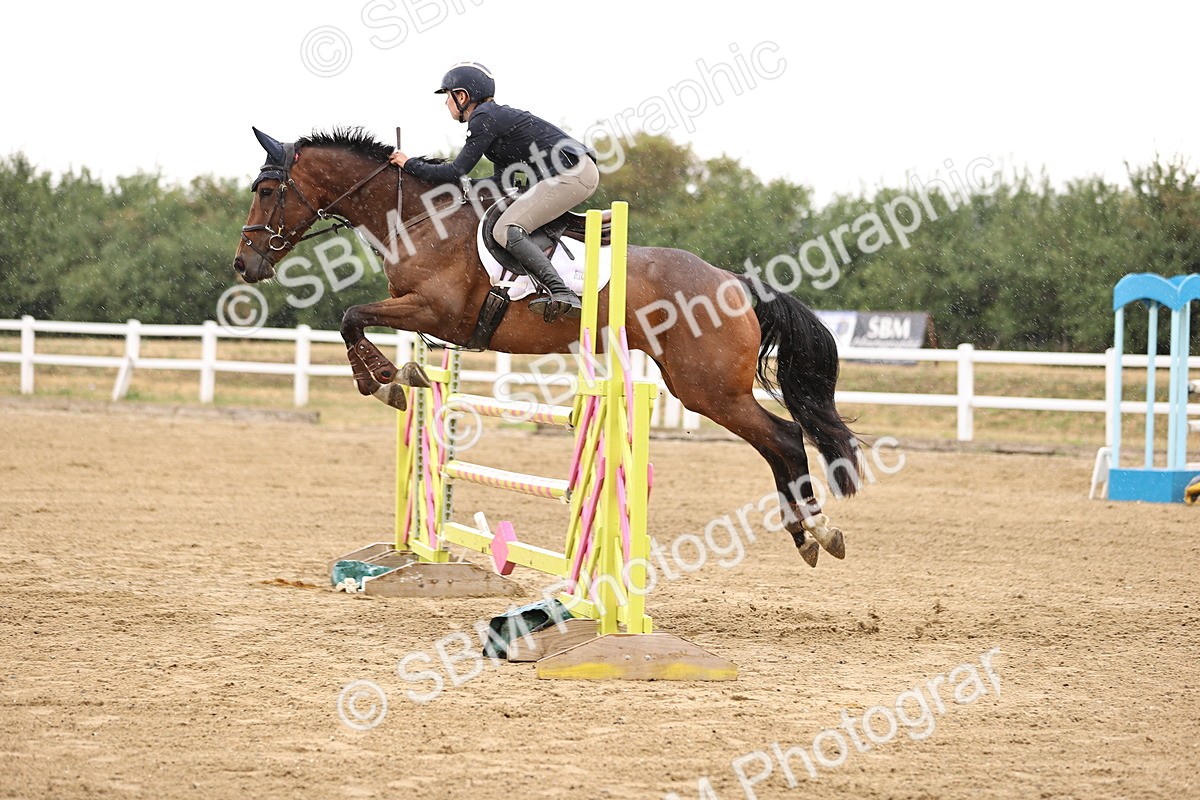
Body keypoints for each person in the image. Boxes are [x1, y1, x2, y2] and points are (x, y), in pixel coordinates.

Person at [389, 62, 599, 323]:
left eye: (448, 96)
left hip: (572, 173)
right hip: (570, 172)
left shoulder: (484, 119)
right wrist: (465, 190)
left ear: (462, 96)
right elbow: (501, 181)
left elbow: (457, 170)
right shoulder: (493, 120)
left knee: (505, 229)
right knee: (506, 221)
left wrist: (409, 165)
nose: (446, 104)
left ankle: (560, 290)